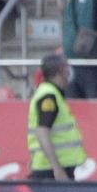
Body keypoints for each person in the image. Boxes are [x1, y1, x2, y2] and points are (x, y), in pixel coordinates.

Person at [26, 51, 86, 179]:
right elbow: (42, 132)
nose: (70, 72)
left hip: (54, 167)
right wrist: (57, 168)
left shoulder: (52, 93)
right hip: (51, 170)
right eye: (67, 68)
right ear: (62, 70)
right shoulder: (49, 96)